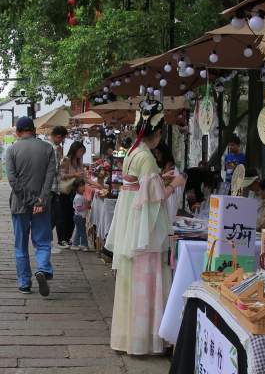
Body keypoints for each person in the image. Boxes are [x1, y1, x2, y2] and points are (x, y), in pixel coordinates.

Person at [105, 100, 186, 355]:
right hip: (145, 232)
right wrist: (175, 184)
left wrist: (159, 181)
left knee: (131, 284)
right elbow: (154, 200)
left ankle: (128, 338)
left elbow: (139, 188)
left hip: (132, 226)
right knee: (148, 281)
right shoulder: (147, 158)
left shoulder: (133, 152)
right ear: (159, 132)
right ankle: (145, 341)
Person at [6, 117, 56, 296]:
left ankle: (24, 283)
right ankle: (42, 268)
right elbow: (50, 178)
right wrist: (40, 200)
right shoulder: (48, 149)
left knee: (20, 245)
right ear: (34, 130)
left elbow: (12, 180)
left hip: (19, 205)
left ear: (18, 132)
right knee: (42, 242)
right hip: (42, 206)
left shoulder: (11, 150)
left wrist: (27, 200)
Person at [49, 126, 68, 239]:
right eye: (62, 139)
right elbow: (55, 168)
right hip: (53, 187)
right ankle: (46, 242)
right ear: (58, 137)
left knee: (53, 215)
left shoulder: (48, 146)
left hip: (50, 186)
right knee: (54, 216)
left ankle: (46, 241)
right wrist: (63, 163)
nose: (62, 141)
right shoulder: (55, 148)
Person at [71, 179, 89, 252]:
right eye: (81, 186)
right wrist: (86, 206)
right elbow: (78, 208)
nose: (83, 187)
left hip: (80, 216)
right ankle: (84, 244)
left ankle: (75, 244)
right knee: (82, 231)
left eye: (83, 185)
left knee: (79, 230)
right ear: (77, 188)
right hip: (79, 216)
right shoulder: (78, 197)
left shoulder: (81, 196)